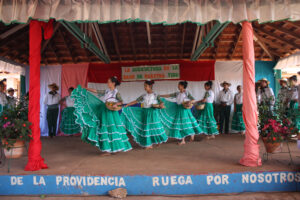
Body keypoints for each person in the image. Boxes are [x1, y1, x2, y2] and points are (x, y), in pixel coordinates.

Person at [71, 76, 132, 154]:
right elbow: (96, 91)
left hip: (111, 112)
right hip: (104, 110)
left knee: (112, 129)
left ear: (113, 83)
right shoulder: (107, 91)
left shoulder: (116, 92)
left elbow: (121, 101)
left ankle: (115, 148)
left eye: (109, 82)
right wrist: (86, 88)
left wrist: (116, 104)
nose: (107, 83)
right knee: (106, 129)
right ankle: (108, 150)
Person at [122, 80, 168, 149]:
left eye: (146, 86)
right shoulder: (144, 95)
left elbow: (161, 102)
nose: (144, 87)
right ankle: (149, 144)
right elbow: (136, 101)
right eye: (144, 86)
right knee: (147, 128)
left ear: (150, 86)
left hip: (153, 112)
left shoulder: (155, 95)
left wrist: (160, 105)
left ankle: (158, 140)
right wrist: (128, 104)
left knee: (155, 126)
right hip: (145, 112)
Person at [160, 81, 202, 145]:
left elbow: (193, 99)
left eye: (179, 85)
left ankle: (183, 140)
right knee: (187, 123)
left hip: (184, 110)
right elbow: (169, 95)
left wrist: (189, 102)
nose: (178, 86)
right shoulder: (177, 93)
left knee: (183, 124)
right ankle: (191, 136)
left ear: (182, 86)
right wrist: (160, 95)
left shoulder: (187, 93)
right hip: (179, 109)